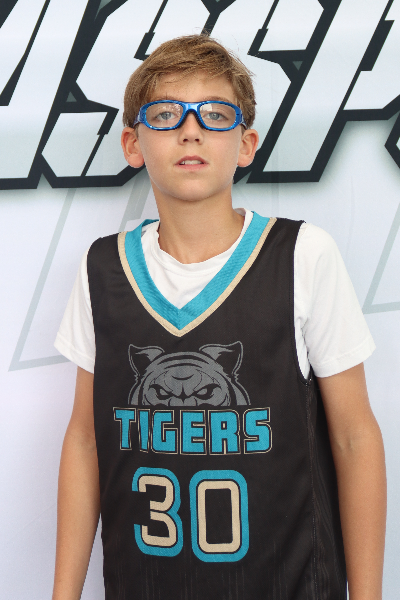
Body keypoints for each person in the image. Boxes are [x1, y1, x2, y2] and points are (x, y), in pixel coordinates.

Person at [52, 35, 386, 600]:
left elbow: (355, 437)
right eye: (165, 114)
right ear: (133, 144)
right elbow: (85, 440)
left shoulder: (302, 255)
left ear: (246, 144)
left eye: (214, 114)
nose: (191, 130)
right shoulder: (101, 267)